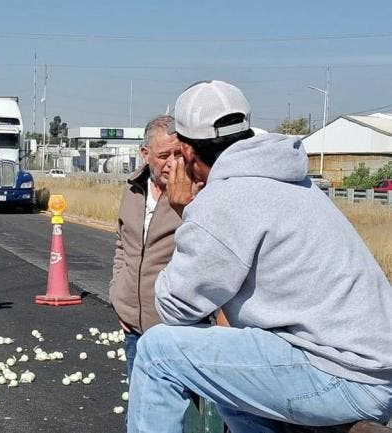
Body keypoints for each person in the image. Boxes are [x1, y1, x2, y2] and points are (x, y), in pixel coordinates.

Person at [127, 80, 392, 433]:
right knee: (226, 382)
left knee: (156, 353)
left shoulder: (225, 199)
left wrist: (187, 211)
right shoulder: (291, 178)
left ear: (187, 152)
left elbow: (176, 306)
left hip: (344, 376)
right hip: (368, 367)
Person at [109, 115, 182, 378]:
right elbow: (122, 245)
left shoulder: (195, 195)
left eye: (178, 153)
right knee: (139, 409)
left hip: (176, 330)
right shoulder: (132, 191)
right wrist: (119, 296)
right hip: (133, 328)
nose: (172, 163)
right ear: (145, 153)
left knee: (179, 414)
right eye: (164, 156)